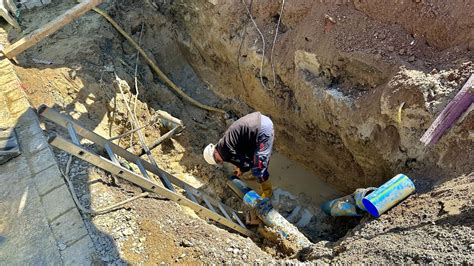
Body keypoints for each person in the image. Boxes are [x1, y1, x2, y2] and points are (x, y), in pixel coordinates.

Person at [203, 112, 274, 199]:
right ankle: (258, 174)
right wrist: (239, 166)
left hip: (262, 130)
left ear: (215, 152)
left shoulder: (224, 153)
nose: (221, 161)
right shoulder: (223, 144)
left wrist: (242, 169)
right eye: (218, 162)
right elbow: (240, 156)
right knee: (251, 156)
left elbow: (246, 165)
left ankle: (267, 193)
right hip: (258, 120)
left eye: (218, 160)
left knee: (259, 167)